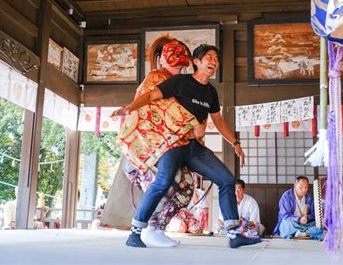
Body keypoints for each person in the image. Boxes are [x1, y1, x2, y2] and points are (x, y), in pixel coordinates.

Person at [112, 44, 261, 249]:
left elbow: (218, 121)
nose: (213, 61)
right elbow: (151, 96)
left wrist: (235, 143)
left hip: (193, 147)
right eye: (209, 57)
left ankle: (234, 234)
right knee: (163, 182)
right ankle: (136, 232)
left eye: (216, 59)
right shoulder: (180, 81)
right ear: (197, 62)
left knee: (227, 180)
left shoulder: (210, 92)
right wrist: (130, 107)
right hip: (173, 143)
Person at [109, 36, 205, 247]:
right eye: (171, 57)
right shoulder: (155, 78)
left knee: (187, 186)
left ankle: (156, 227)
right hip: (147, 149)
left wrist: (196, 129)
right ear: (161, 59)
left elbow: (189, 117)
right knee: (164, 184)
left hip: (171, 148)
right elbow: (159, 112)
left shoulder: (182, 84)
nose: (176, 65)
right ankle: (143, 229)